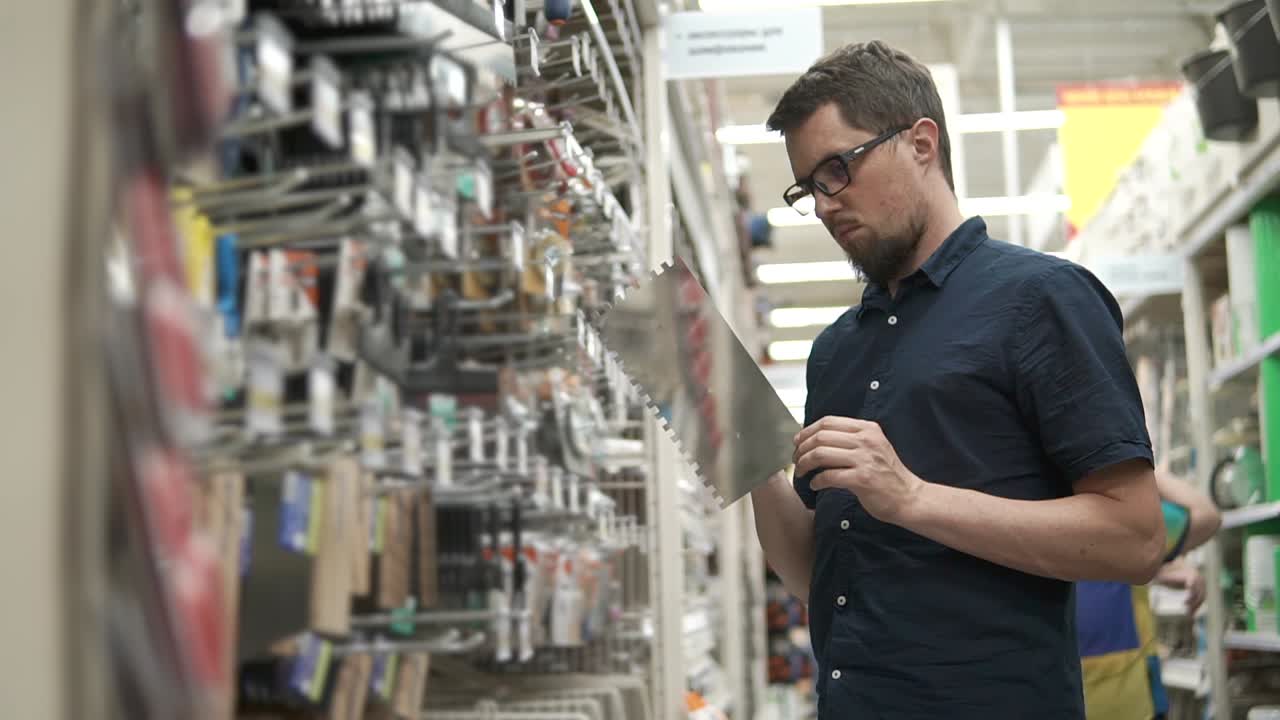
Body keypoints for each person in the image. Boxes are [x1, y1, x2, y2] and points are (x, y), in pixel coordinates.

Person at [748, 40, 1166, 719]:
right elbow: (817, 579)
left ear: (921, 143)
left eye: (838, 169)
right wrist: (746, 454)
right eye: (806, 186)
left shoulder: (1041, 299)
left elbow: (1137, 537)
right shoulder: (835, 353)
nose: (824, 204)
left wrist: (910, 497)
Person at [1078, 470, 1221, 719]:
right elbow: (1205, 514)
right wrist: (1135, 465)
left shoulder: (1023, 520)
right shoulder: (1119, 524)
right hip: (1129, 704)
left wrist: (1156, 567)